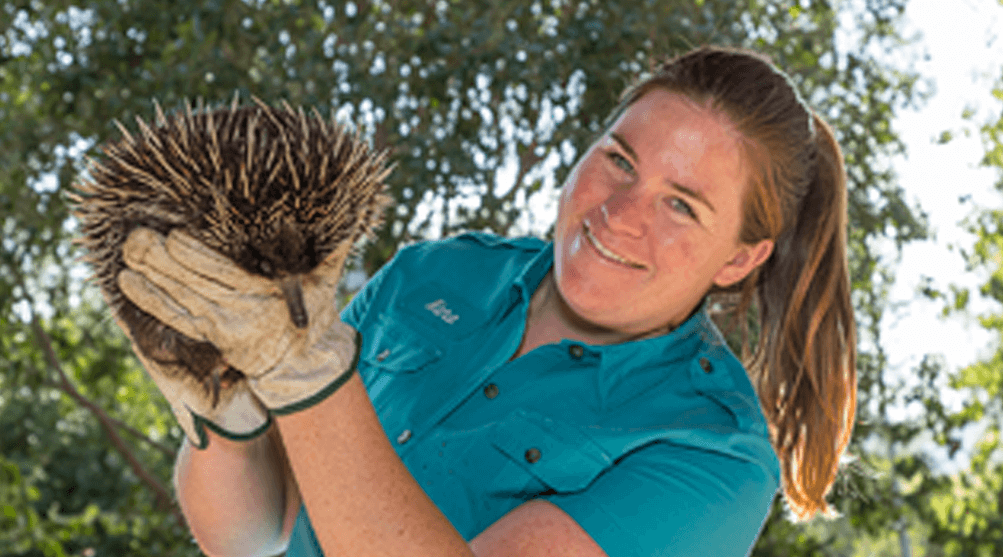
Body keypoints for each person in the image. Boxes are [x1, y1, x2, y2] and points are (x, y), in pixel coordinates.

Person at [116, 45, 857, 557]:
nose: (621, 213)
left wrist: (305, 377)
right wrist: (227, 412)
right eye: (618, 160)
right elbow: (252, 535)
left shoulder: (710, 455)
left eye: (682, 205)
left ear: (740, 257)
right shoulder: (437, 274)